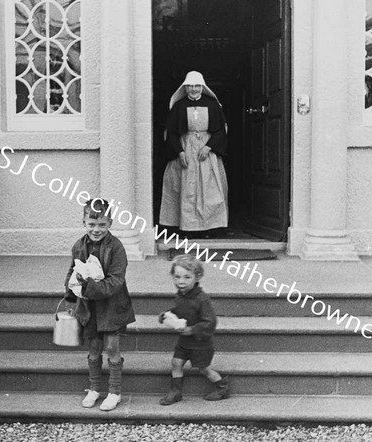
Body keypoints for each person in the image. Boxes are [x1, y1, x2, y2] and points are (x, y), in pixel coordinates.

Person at [64, 198, 136, 411]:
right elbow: (72, 271)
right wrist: (70, 293)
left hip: (112, 304)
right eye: (91, 224)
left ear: (110, 223)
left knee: (112, 346)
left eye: (102, 225)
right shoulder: (79, 246)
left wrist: (91, 287)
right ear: (84, 222)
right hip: (89, 306)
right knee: (94, 346)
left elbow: (116, 279)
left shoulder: (116, 247)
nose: (96, 230)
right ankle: (95, 388)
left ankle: (115, 392)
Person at [159, 70, 229, 236]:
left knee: (210, 188)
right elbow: (172, 132)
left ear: (202, 87)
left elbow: (221, 130)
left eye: (197, 86)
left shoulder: (212, 104)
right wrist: (180, 152)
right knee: (186, 188)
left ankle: (211, 227)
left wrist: (209, 146)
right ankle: (187, 227)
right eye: (190, 86)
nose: (194, 89)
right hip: (186, 150)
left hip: (207, 152)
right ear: (185, 88)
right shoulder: (179, 106)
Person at [158, 254, 230, 405]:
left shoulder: (201, 299)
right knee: (176, 363)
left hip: (200, 343)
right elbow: (180, 310)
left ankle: (222, 386)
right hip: (184, 341)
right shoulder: (181, 296)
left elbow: (210, 322)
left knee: (204, 369)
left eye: (186, 277)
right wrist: (167, 315)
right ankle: (176, 391)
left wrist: (192, 330)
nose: (181, 282)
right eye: (177, 277)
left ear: (197, 277)